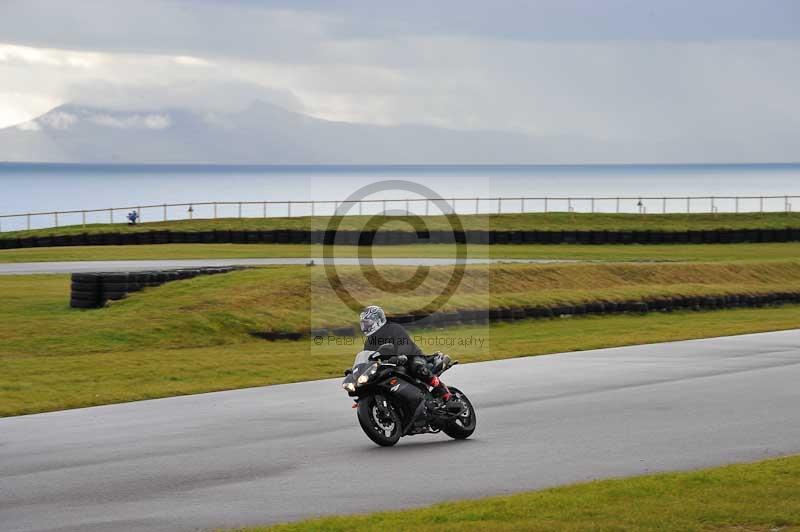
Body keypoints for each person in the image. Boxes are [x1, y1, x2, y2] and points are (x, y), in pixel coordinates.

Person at [360, 305, 458, 410]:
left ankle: (445, 394)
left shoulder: (394, 329)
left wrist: (400, 355)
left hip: (411, 356)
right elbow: (368, 356)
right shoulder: (370, 341)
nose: (365, 326)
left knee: (417, 368)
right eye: (363, 324)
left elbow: (404, 344)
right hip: (390, 364)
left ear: (378, 320)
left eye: (367, 323)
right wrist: (360, 369)